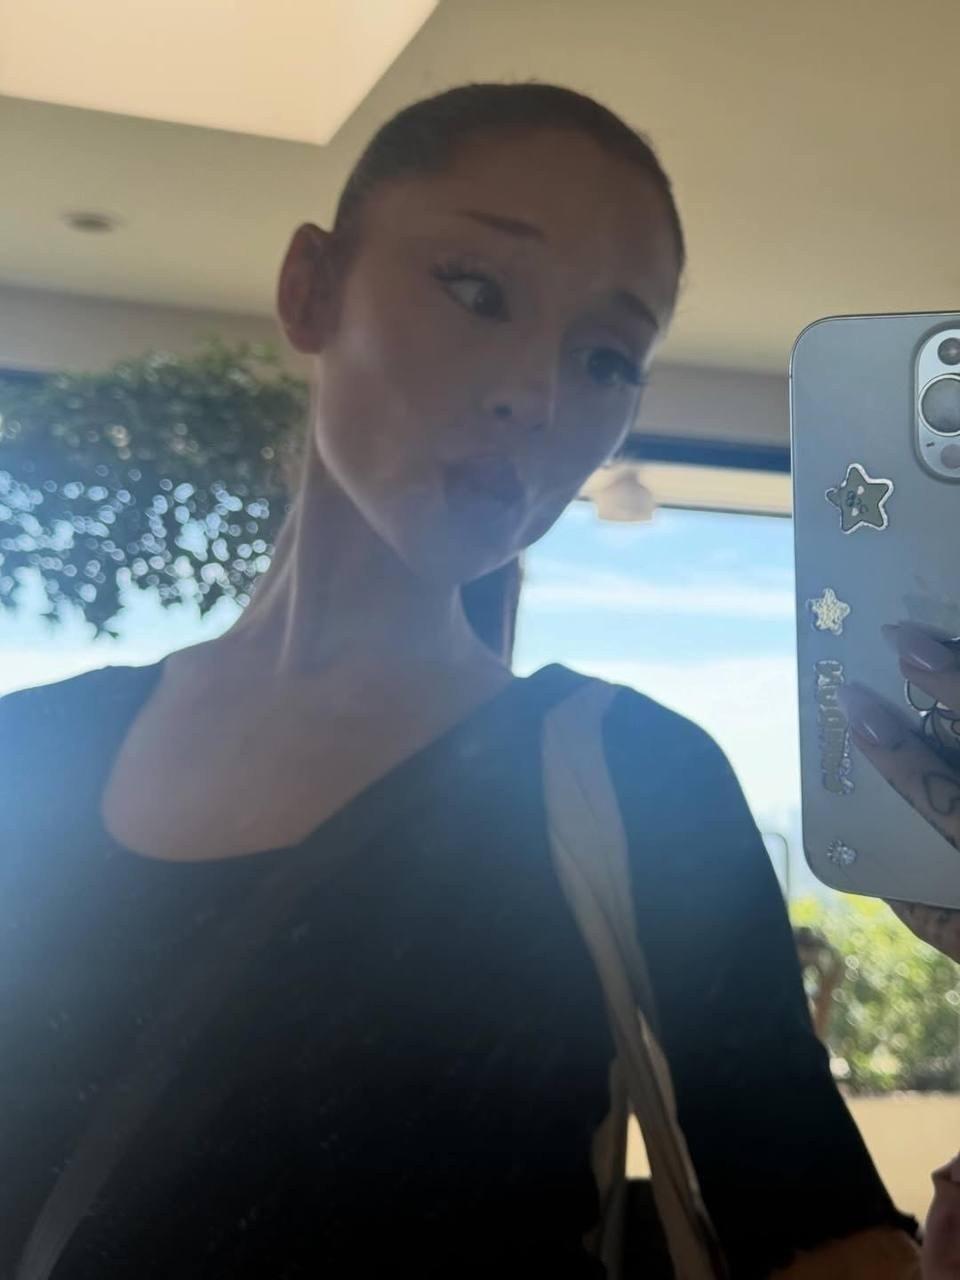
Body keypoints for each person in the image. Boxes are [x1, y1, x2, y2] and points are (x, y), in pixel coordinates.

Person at [0, 83, 930, 1278]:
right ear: (312, 287)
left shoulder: (634, 777)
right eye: (479, 291)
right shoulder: (29, 755)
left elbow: (819, 1224)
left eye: (606, 357)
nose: (534, 396)